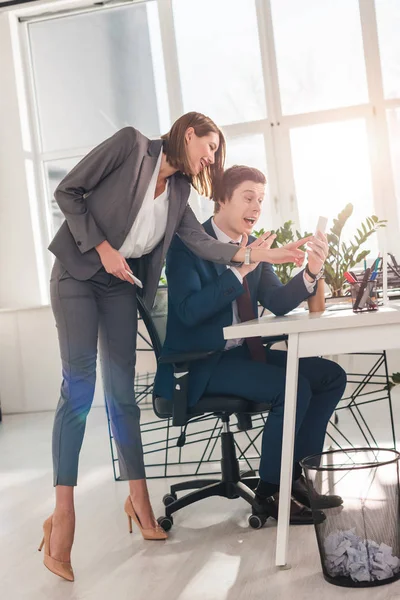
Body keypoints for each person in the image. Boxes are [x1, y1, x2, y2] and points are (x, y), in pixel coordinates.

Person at [41, 114, 309, 581]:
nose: (210, 158)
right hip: (78, 276)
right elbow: (69, 193)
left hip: (121, 287)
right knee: (80, 388)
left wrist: (257, 254)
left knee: (123, 394)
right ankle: (63, 513)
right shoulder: (131, 146)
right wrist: (104, 248)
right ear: (188, 135)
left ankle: (139, 499)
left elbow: (203, 244)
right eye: (208, 147)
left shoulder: (181, 193)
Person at [154, 165, 347, 527]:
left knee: (329, 376)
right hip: (200, 365)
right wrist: (239, 268)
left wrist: (312, 272)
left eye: (260, 199)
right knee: (291, 387)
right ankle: (271, 493)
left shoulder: (254, 246)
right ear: (222, 199)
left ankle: (298, 480)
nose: (256, 207)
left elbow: (276, 301)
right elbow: (188, 311)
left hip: (241, 355)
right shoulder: (186, 247)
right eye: (248, 197)